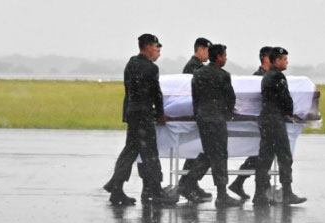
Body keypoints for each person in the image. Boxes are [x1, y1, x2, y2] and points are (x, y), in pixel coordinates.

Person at [103, 33, 176, 206]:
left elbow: (128, 91)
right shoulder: (151, 68)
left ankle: (116, 188)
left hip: (133, 113)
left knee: (130, 151)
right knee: (150, 154)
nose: (157, 50)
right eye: (156, 46)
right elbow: (156, 94)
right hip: (144, 115)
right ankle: (156, 191)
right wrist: (160, 114)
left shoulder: (130, 64)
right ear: (149, 46)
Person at [188, 43, 242, 208]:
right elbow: (230, 99)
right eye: (224, 55)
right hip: (216, 119)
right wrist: (227, 114)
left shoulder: (197, 74)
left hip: (203, 118)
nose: (225, 58)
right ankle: (221, 195)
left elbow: (195, 97)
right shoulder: (223, 75)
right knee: (219, 155)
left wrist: (199, 115)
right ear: (218, 57)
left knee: (210, 153)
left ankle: (187, 182)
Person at [253, 46, 307, 207]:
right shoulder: (278, 77)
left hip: (265, 119)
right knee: (284, 156)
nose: (287, 62)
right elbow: (286, 100)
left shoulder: (266, 76)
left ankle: (259, 194)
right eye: (284, 59)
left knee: (265, 158)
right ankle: (287, 193)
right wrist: (289, 112)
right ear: (276, 61)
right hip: (275, 120)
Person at [228, 45, 272, 200]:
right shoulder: (257, 78)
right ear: (265, 58)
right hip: (258, 121)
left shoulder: (268, 75)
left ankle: (241, 183)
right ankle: (262, 189)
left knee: (260, 154)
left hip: (261, 120)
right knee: (262, 154)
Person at [178, 37, 213, 202]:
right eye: (207, 50)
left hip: (198, 112)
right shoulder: (194, 68)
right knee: (197, 149)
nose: (209, 53)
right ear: (200, 49)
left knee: (196, 150)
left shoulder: (196, 66)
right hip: (198, 112)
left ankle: (189, 182)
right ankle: (187, 183)